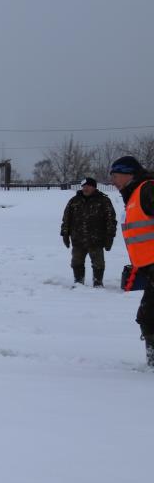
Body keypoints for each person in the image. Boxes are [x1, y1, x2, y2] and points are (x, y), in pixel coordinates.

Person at [109, 156, 154, 367]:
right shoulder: (135, 195)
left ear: (129, 175)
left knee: (148, 316)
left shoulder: (147, 190)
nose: (113, 181)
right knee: (148, 316)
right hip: (149, 269)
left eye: (116, 176)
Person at [60, 177, 117, 286]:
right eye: (83, 186)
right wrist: (65, 234)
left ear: (94, 187)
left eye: (88, 186)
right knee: (76, 262)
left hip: (96, 239)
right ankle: (78, 282)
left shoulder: (103, 201)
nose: (85, 188)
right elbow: (66, 219)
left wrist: (110, 236)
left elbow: (111, 220)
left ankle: (98, 282)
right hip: (78, 239)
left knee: (98, 263)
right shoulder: (74, 201)